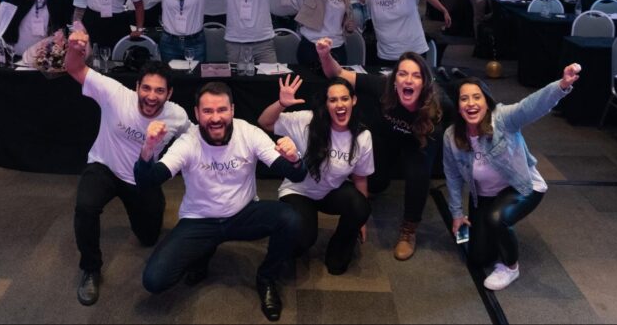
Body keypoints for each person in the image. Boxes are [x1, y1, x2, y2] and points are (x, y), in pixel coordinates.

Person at [135, 81, 306, 322]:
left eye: (222, 110)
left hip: (243, 214)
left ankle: (266, 278)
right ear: (196, 113)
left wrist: (295, 158)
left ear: (232, 110)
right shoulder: (188, 141)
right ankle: (203, 252)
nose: (215, 118)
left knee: (291, 219)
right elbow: (147, 181)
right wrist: (148, 149)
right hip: (200, 221)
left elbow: (296, 174)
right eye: (207, 111)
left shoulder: (249, 133)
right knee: (154, 280)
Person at [62, 33, 192, 306]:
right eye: (146, 88)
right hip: (104, 166)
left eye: (159, 91)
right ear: (137, 87)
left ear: (169, 94)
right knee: (85, 207)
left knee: (148, 237)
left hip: (141, 177)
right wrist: (75, 49)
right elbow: (73, 68)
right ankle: (90, 269)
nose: (151, 96)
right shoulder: (115, 94)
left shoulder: (177, 115)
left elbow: (195, 142)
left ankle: (150, 212)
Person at [445, 64, 582, 290]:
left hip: (522, 187)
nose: (471, 104)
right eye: (464, 99)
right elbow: (451, 175)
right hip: (486, 195)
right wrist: (457, 214)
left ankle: (511, 267)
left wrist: (561, 85)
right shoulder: (452, 136)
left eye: (476, 97)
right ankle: (499, 229)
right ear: (458, 106)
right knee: (478, 258)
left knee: (497, 219)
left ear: (486, 102)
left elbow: (531, 106)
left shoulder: (503, 119)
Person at [317, 41, 446, 261]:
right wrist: (324, 54)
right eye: (403, 74)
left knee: (418, 175)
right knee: (375, 181)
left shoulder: (437, 106)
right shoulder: (382, 86)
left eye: (415, 76)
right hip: (386, 138)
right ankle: (374, 188)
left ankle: (409, 230)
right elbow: (336, 73)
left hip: (419, 142)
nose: (408, 79)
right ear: (395, 79)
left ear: (424, 82)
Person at [258, 75, 373, 275]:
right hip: (298, 191)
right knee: (303, 239)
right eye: (333, 100)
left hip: (330, 191)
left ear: (353, 100)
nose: (340, 104)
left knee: (361, 207)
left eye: (344, 98)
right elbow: (265, 122)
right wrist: (281, 103)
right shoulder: (307, 121)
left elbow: (360, 177)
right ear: (326, 104)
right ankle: (285, 237)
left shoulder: (362, 136)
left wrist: (360, 220)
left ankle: (340, 247)